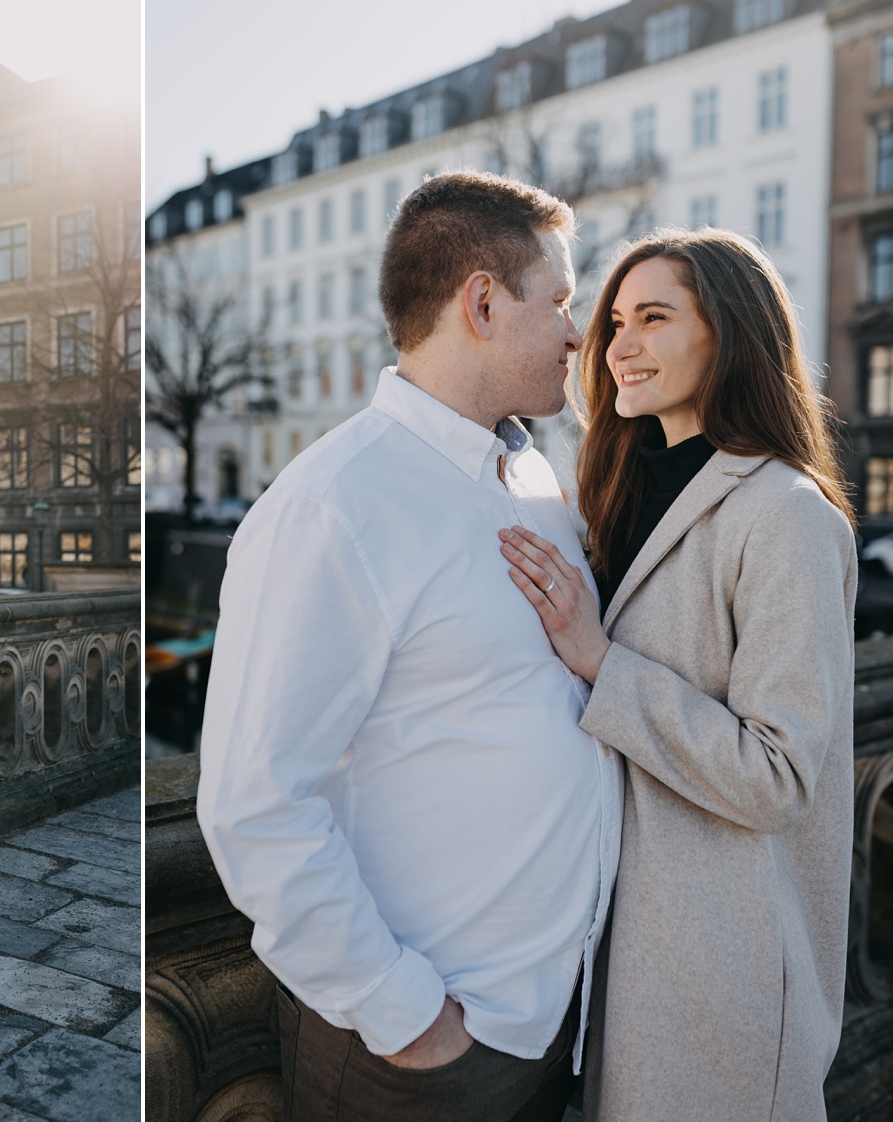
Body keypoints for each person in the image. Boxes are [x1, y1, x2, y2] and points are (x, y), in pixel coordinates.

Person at [195, 171, 623, 1122]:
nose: (576, 329)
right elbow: (253, 805)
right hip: (423, 1054)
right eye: (556, 300)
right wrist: (413, 1021)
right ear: (481, 301)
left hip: (547, 1019)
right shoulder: (330, 505)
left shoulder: (533, 478)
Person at [497, 228, 856, 1122]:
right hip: (615, 957)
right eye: (614, 319)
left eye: (653, 317)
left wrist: (601, 661)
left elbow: (779, 775)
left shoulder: (786, 514)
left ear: (730, 334)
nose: (618, 344)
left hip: (721, 985)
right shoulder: (612, 496)